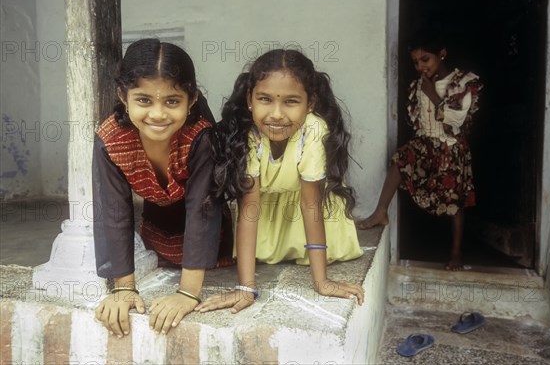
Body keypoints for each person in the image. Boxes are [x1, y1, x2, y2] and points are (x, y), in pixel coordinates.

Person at [198, 49, 365, 314]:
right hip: (268, 206)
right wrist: (246, 288)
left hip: (308, 204)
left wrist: (321, 282)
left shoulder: (314, 130)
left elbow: (311, 206)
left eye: (291, 101)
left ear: (310, 104)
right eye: (265, 99)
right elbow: (250, 211)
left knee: (323, 245)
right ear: (250, 100)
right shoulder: (248, 134)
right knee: (261, 256)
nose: (276, 114)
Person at [92, 38, 233, 337]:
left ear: (191, 99)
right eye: (143, 100)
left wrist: (188, 293)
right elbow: (113, 212)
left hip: (211, 238)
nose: (158, 114)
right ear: (122, 95)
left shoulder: (200, 136)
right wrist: (124, 289)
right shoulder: (110, 139)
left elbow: (203, 210)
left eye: (172, 101)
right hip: (156, 234)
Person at [356, 29, 483, 271]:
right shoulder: (419, 85)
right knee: (401, 158)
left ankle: (456, 251)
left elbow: (457, 122)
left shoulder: (463, 83)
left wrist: (433, 95)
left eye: (426, 59)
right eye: (416, 62)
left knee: (455, 201)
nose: (420, 66)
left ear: (442, 54)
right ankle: (380, 211)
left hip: (451, 147)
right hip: (426, 144)